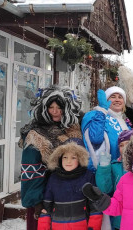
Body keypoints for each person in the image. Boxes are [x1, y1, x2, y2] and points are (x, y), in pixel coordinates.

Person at [19, 86, 82, 230]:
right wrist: (36, 201)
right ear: (43, 109)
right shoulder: (36, 135)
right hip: (44, 198)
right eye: (51, 107)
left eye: (59, 107)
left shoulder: (73, 130)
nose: (55, 111)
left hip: (69, 197)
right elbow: (31, 170)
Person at [37, 142, 102, 230]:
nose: (68, 161)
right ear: (60, 159)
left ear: (79, 159)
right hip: (57, 226)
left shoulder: (87, 177)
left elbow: (95, 205)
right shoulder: (53, 178)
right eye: (65, 157)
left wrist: (93, 227)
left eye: (73, 157)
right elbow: (46, 207)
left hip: (81, 225)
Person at [81, 86, 132, 172]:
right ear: (105, 100)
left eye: (120, 97)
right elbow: (95, 139)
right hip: (103, 172)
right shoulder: (94, 115)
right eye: (113, 96)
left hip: (122, 172)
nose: (117, 100)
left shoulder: (126, 124)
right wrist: (102, 111)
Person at [95, 129, 133, 229]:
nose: (124, 147)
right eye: (121, 145)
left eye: (128, 143)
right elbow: (105, 189)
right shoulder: (115, 165)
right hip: (120, 220)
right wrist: (104, 167)